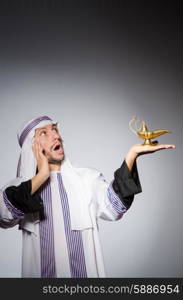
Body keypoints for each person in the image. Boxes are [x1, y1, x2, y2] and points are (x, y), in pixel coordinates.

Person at [0, 116, 175, 278]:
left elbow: (114, 207)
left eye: (55, 129)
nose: (55, 136)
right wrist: (41, 175)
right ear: (32, 147)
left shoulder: (87, 179)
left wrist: (131, 156)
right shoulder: (18, 190)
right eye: (44, 133)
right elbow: (3, 216)